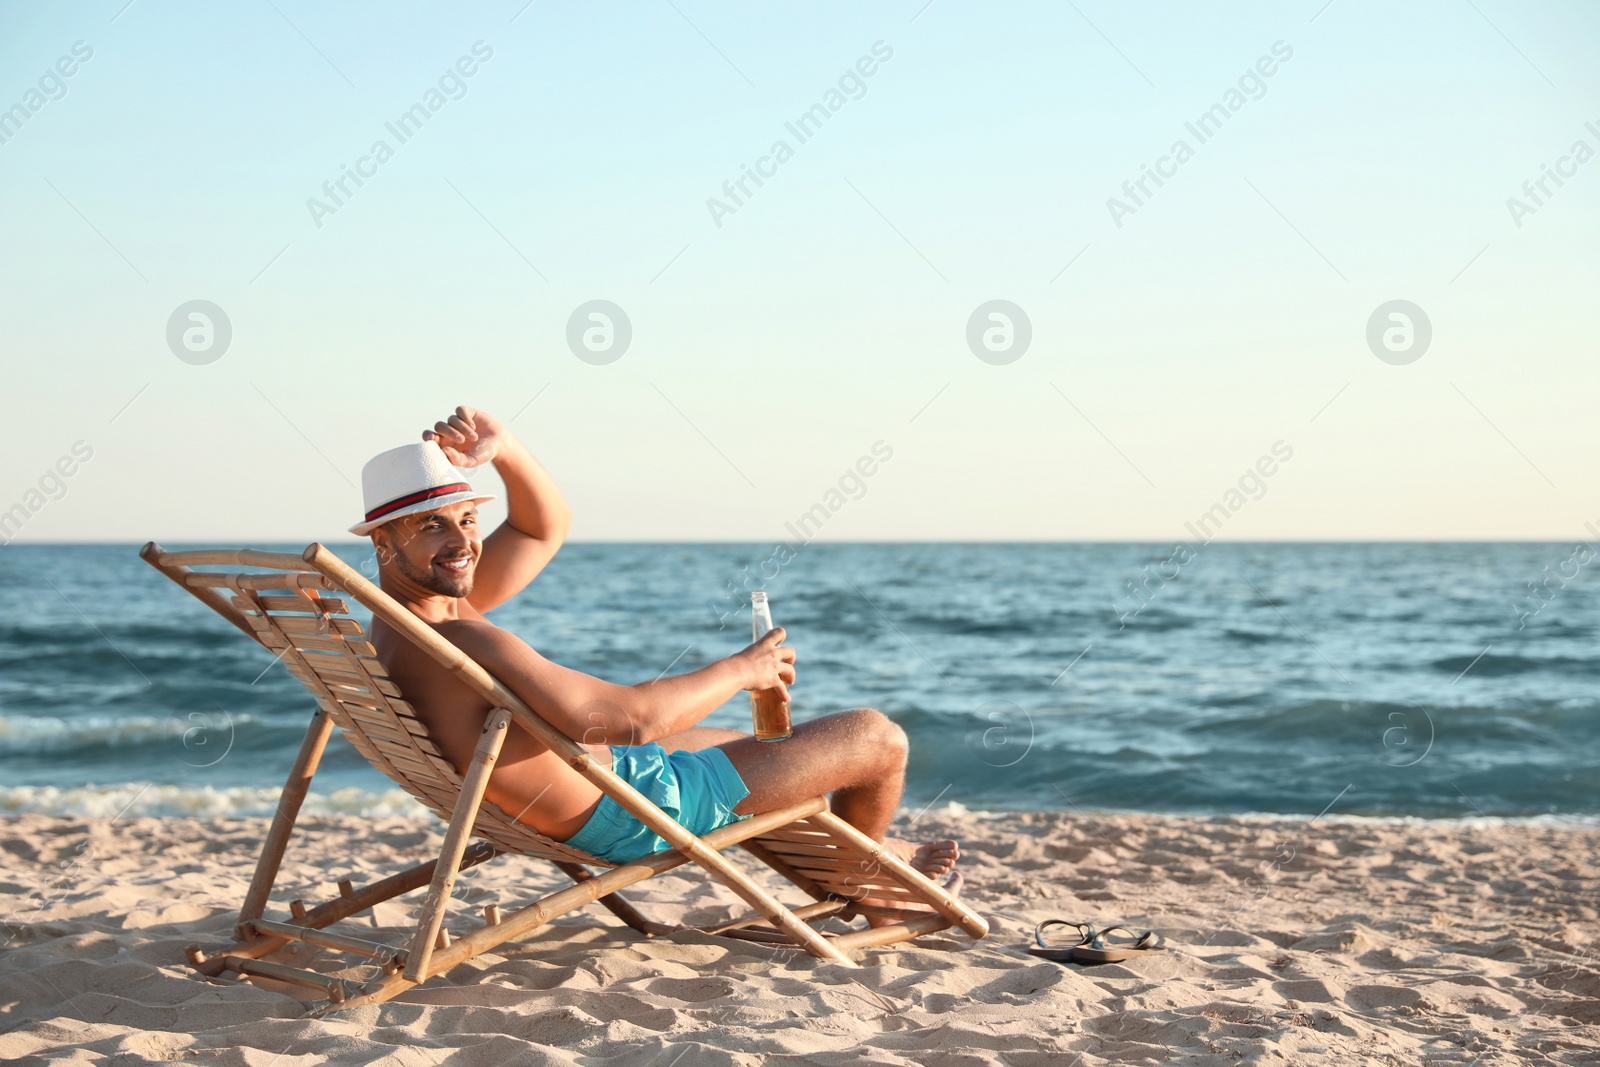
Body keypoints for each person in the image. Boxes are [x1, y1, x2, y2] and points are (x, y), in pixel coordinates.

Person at [355, 406, 961, 916]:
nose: (463, 544)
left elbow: (544, 530)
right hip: (627, 812)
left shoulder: (406, 624)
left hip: (604, 782)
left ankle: (868, 849)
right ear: (383, 543)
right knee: (876, 738)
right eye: (433, 527)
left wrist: (505, 448)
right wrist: (742, 670)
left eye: (467, 519)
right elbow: (628, 721)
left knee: (752, 746)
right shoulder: (464, 641)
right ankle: (868, 882)